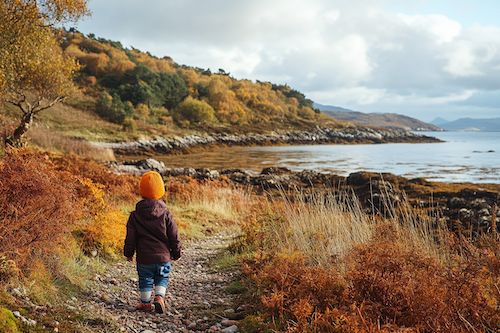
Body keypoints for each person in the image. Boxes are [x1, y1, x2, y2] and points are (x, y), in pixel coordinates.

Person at [124, 171, 182, 313]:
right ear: (161, 191)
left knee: (145, 278)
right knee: (162, 277)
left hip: (144, 258)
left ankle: (145, 303)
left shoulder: (135, 215)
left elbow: (130, 237)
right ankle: (159, 298)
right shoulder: (167, 215)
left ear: (141, 191)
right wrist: (176, 252)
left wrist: (129, 253)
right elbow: (174, 236)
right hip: (163, 257)